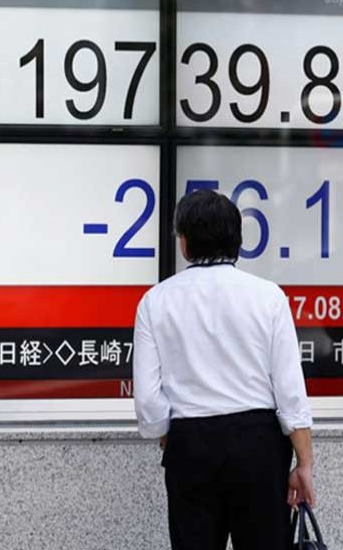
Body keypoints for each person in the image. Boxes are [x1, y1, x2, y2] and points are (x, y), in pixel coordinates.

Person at [133, 189, 315, 550]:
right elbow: (290, 391)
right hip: (259, 444)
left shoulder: (155, 301)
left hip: (190, 445)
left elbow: (148, 399)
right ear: (239, 241)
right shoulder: (269, 297)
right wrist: (304, 462)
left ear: (183, 243)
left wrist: (168, 435)